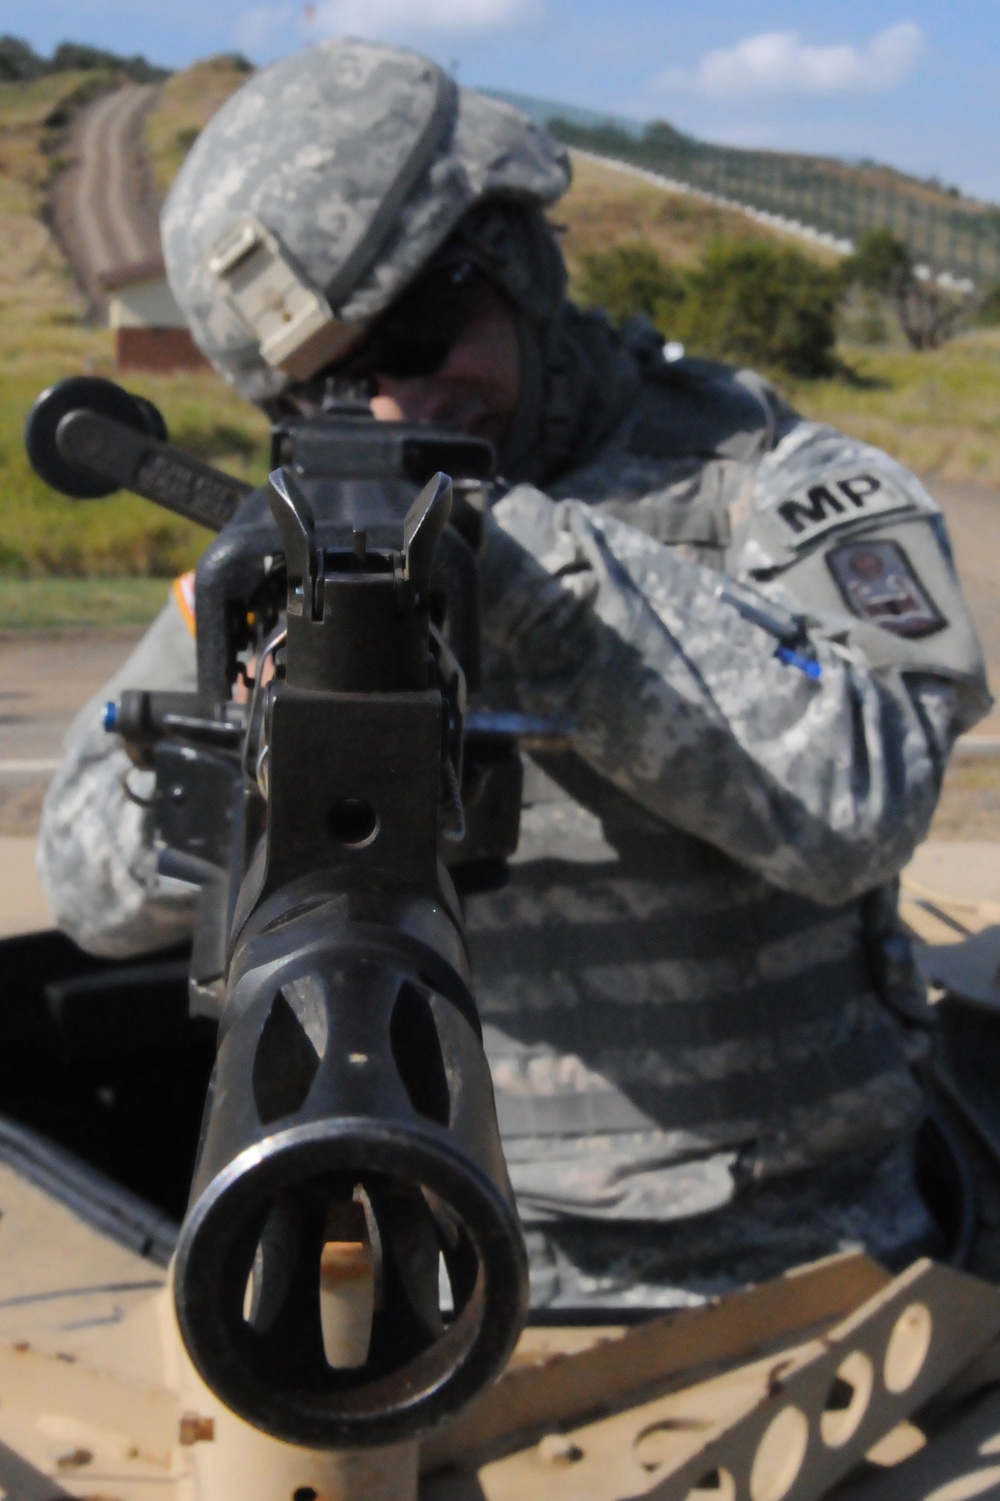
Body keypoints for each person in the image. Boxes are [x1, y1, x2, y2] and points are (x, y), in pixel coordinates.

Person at [38, 39, 991, 1309]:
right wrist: (267, 704)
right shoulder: (292, 539)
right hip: (439, 1280)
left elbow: (863, 801)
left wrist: (533, 583)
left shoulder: (765, 484)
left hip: (802, 1274)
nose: (389, 414)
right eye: (326, 388)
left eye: (423, 334)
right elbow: (89, 882)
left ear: (521, 265)